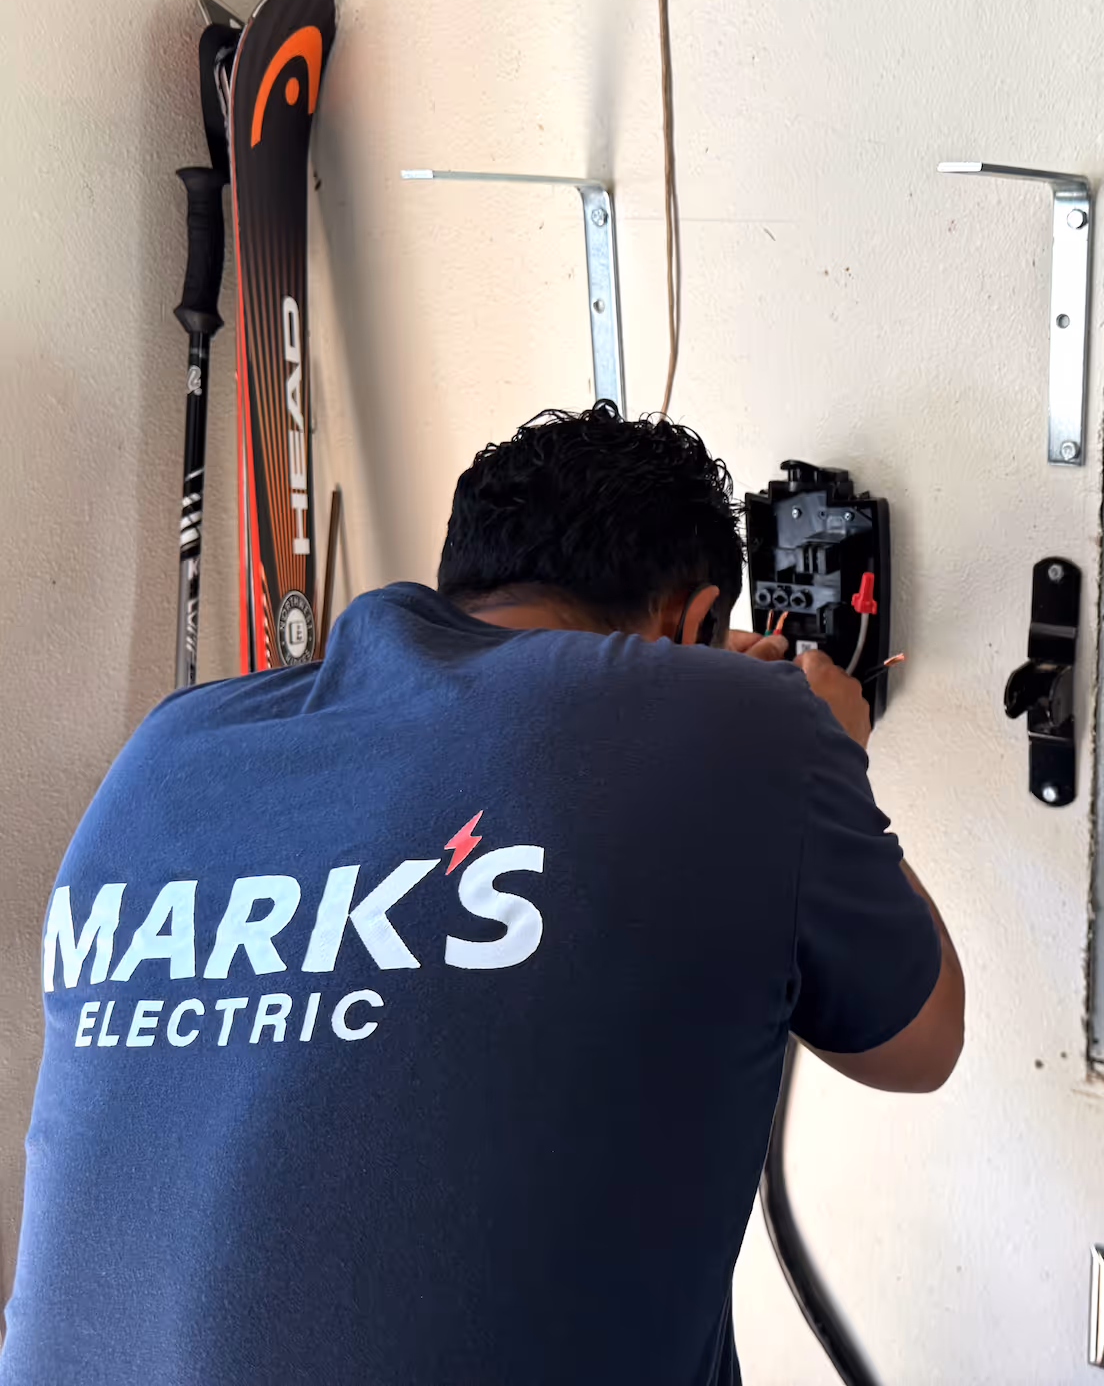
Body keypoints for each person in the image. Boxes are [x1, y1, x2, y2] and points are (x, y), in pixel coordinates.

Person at [0, 402, 964, 1386]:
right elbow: (920, 1040)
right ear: (698, 620)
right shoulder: (741, 722)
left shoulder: (169, 748)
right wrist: (830, 752)